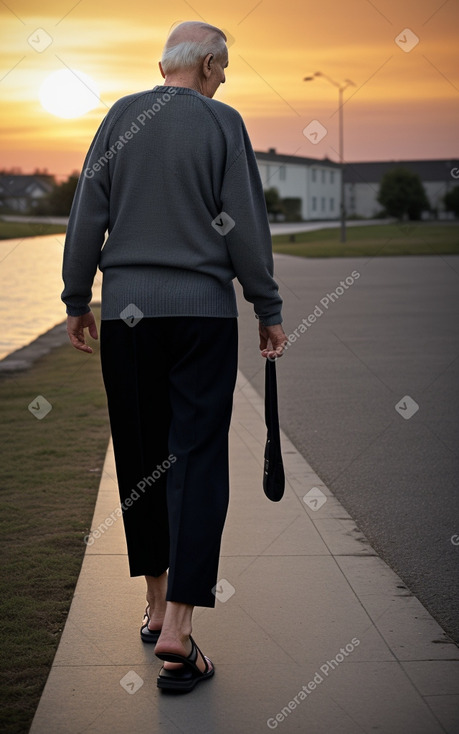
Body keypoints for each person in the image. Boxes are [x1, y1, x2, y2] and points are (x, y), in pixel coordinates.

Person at [62, 20, 286, 692]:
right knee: (196, 460)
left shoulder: (120, 116)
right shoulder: (221, 122)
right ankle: (178, 628)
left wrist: (78, 298)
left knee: (140, 454)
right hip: (200, 316)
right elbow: (242, 221)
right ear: (210, 62)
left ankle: (154, 603)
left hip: (129, 314)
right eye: (228, 64)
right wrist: (266, 306)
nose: (228, 76)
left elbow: (87, 212)